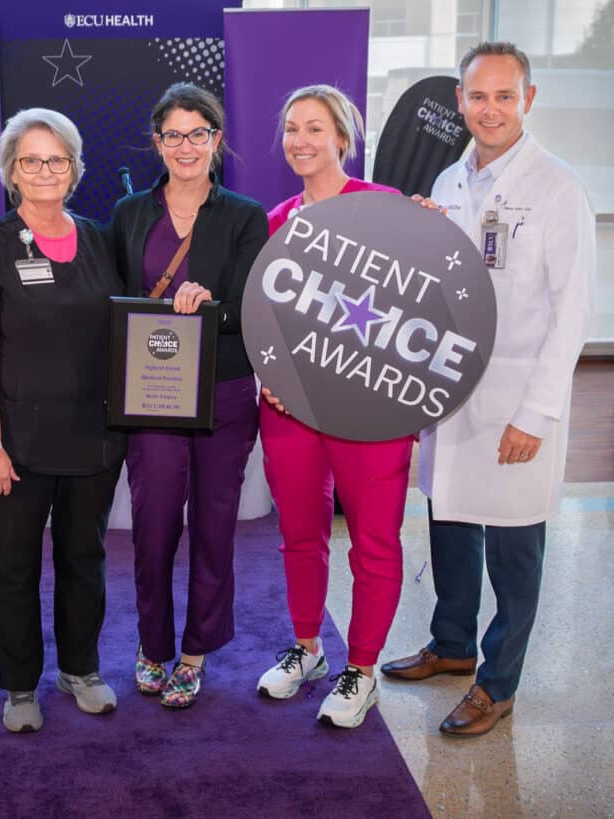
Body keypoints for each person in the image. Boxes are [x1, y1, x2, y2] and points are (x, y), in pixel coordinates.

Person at [381, 42, 596, 737]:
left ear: (528, 100)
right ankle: (451, 642)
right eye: (478, 96)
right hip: (453, 392)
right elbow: (443, 285)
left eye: (506, 96)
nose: (491, 109)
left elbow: (571, 313)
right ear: (461, 101)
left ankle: (497, 682)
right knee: (450, 517)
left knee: (512, 545)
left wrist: (536, 413)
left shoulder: (557, 188)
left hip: (515, 396)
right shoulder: (449, 181)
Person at [0, 108, 125, 733]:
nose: (45, 170)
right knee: (12, 565)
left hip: (93, 439)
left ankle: (80, 669)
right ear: (11, 171)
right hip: (13, 445)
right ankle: (19, 684)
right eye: (31, 160)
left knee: (86, 557)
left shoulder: (102, 239)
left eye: (57, 159)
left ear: (74, 169)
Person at [253, 84, 413, 729]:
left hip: (372, 409)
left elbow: (424, 306)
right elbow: (266, 316)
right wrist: (268, 372)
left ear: (343, 138)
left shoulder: (387, 207)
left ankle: (363, 670)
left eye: (314, 128)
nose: (300, 140)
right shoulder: (275, 220)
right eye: (292, 128)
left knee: (373, 538)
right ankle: (309, 648)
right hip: (290, 411)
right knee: (299, 533)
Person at [110, 83, 267, 709]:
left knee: (213, 525)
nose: (185, 146)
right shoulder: (128, 214)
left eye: (197, 134)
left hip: (224, 391)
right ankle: (152, 645)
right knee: (152, 527)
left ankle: (196, 652)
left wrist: (211, 310)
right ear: (157, 143)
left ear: (215, 139)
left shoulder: (244, 216)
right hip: (153, 394)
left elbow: (252, 308)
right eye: (172, 135)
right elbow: (116, 305)